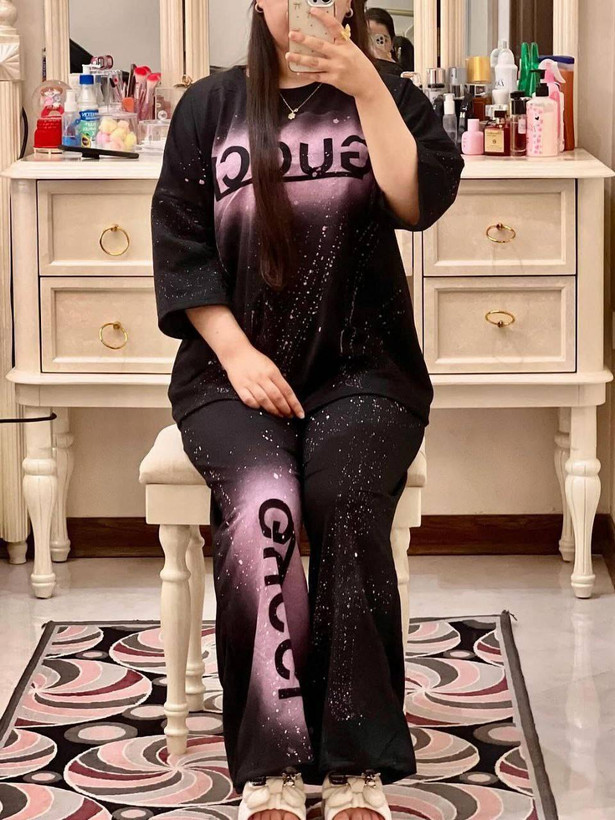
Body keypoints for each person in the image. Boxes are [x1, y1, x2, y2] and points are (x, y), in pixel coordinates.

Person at [151, 1, 463, 819]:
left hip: (364, 367)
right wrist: (237, 355)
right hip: (232, 374)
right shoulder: (209, 107)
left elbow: (416, 203)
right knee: (264, 506)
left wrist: (368, 87)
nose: (311, 6)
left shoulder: (389, 93)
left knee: (347, 499)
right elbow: (181, 248)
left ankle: (356, 760)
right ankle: (272, 764)